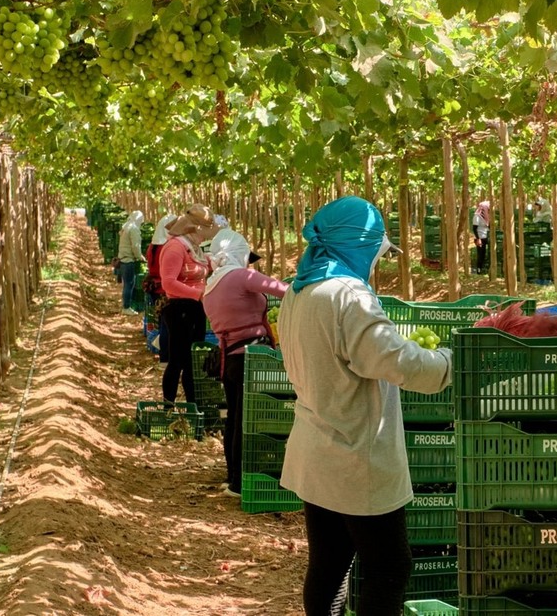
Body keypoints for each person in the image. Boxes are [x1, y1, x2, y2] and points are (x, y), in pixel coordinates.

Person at [278, 195, 452, 616]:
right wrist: (449, 360)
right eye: (377, 251)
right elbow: (398, 362)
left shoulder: (299, 291)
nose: (377, 262)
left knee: (330, 563)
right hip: (356, 454)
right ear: (361, 246)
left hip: (317, 447)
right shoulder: (347, 295)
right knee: (389, 566)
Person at [201, 229, 289, 497]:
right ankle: (242, 483)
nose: (249, 263)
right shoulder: (240, 276)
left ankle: (234, 477)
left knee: (235, 419)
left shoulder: (210, 286)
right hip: (252, 358)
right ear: (239, 254)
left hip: (230, 359)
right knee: (248, 421)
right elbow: (282, 289)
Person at [158, 204, 219, 405]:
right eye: (207, 228)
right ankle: (168, 405)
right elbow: (168, 282)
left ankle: (193, 408)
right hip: (179, 310)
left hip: (195, 309)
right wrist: (198, 294)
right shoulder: (175, 247)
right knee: (177, 361)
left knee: (192, 362)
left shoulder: (194, 247)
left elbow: (200, 268)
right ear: (196, 228)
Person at [144, 213, 178, 351]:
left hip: (155, 287)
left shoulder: (153, 246)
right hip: (164, 289)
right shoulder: (167, 247)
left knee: (163, 322)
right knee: (167, 325)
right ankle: (165, 356)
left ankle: (164, 355)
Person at [116, 210, 145, 315]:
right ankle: (126, 307)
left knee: (126, 284)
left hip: (123, 258)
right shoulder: (133, 229)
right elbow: (135, 246)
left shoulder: (126, 226)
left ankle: (126, 305)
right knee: (129, 284)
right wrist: (139, 256)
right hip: (128, 260)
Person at [472, 200, 491, 274]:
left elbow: (489, 226)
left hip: (487, 236)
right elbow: (474, 228)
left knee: (487, 253)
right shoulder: (477, 216)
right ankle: (479, 270)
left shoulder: (487, 216)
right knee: (481, 254)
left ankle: (486, 270)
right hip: (480, 237)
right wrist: (478, 239)